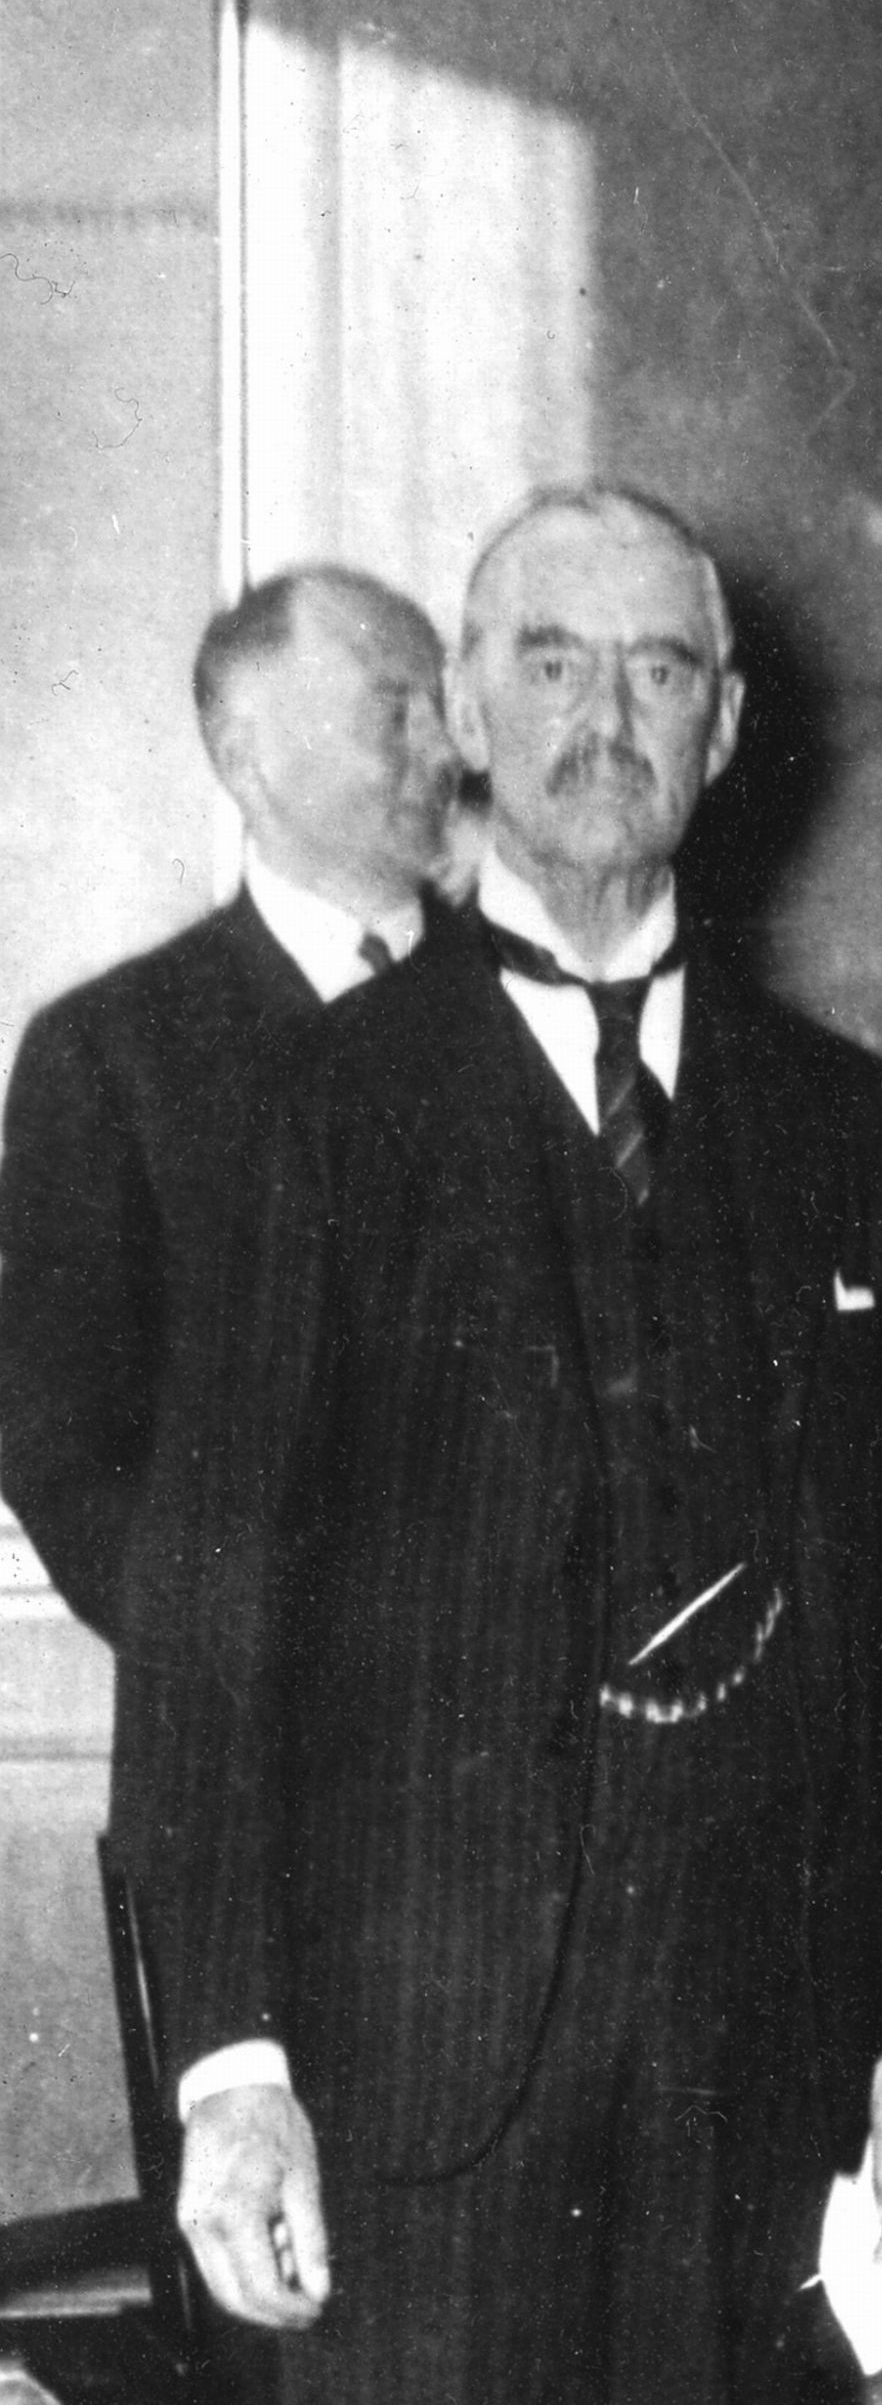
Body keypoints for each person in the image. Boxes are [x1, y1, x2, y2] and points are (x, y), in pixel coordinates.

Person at [119, 483, 882, 2405]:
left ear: (724, 732)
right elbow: (212, 1641)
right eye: (546, 660)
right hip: (417, 2067)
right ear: (464, 716)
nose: (596, 716)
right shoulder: (311, 1116)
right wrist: (236, 2065)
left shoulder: (850, 1139)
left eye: (652, 672)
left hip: (752, 2048)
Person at [1, 566, 457, 1636]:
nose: (445, 751)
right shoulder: (110, 1055)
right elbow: (54, 1434)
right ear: (247, 756)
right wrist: (226, 1650)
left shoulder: (537, 1012)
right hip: (247, 1760)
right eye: (396, 710)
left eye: (446, 706)